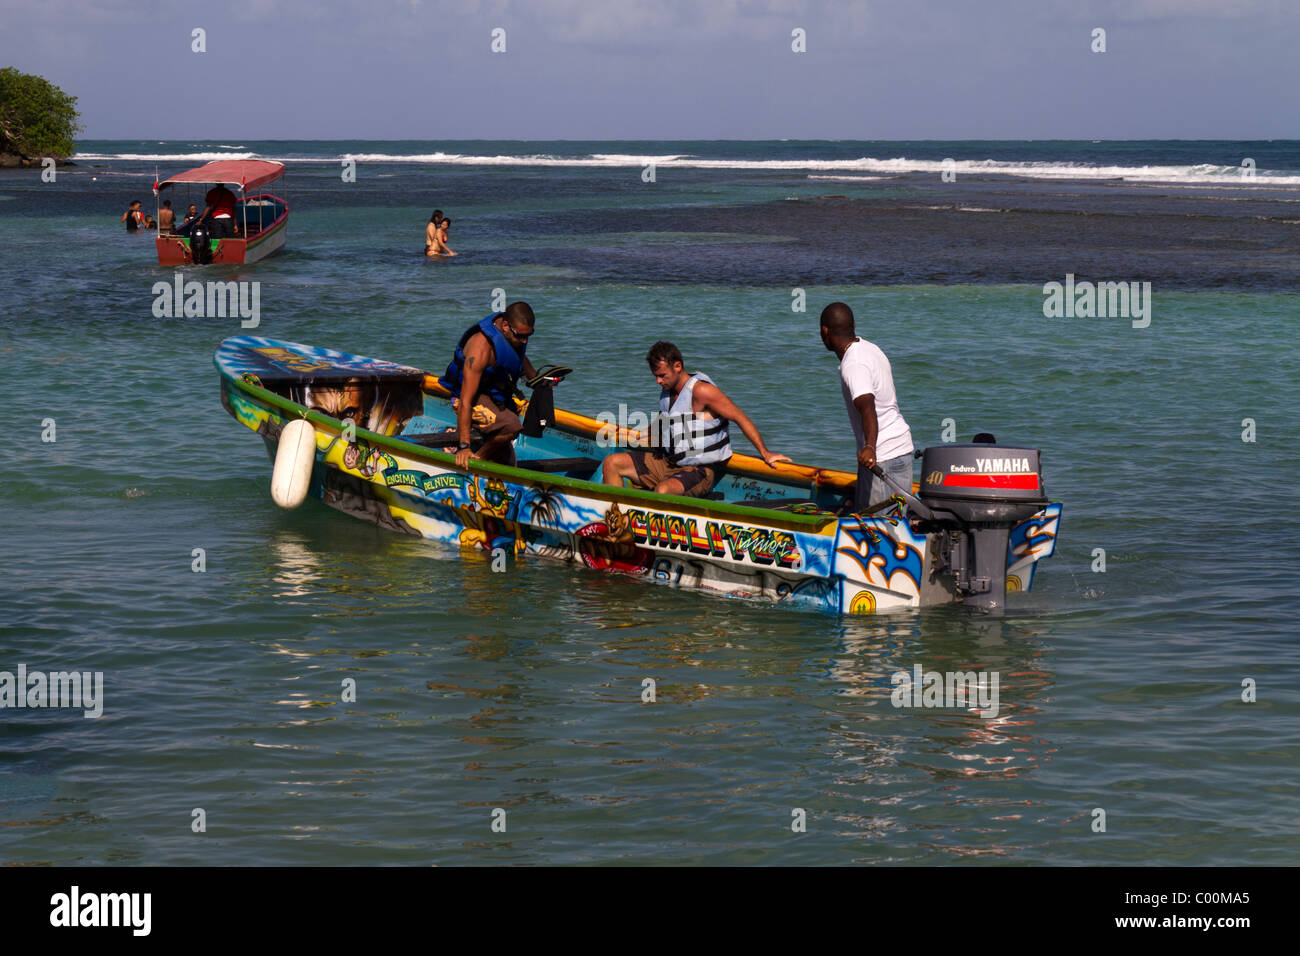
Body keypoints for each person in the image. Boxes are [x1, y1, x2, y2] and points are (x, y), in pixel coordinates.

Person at [601, 341, 789, 498]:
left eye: (661, 376)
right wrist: (639, 434)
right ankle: (616, 521)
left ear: (677, 366)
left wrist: (765, 452)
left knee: (663, 490)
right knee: (612, 462)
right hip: (667, 463)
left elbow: (740, 417)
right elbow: (671, 421)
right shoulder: (668, 391)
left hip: (698, 470)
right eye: (656, 376)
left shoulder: (701, 391)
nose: (658, 381)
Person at [819, 302, 914, 512]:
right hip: (902, 452)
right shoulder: (871, 348)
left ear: (824, 331)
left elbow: (867, 406)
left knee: (875, 532)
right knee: (894, 530)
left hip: (881, 460)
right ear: (853, 326)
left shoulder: (853, 364)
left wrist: (870, 447)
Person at [438, 302, 540, 469]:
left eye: (528, 336)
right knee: (512, 426)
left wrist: (537, 379)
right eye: (520, 336)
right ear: (505, 326)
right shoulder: (481, 349)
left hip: (494, 397)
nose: (523, 341)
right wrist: (464, 446)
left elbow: (517, 358)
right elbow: (465, 401)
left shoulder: (513, 336)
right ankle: (477, 459)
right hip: (466, 398)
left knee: (508, 462)